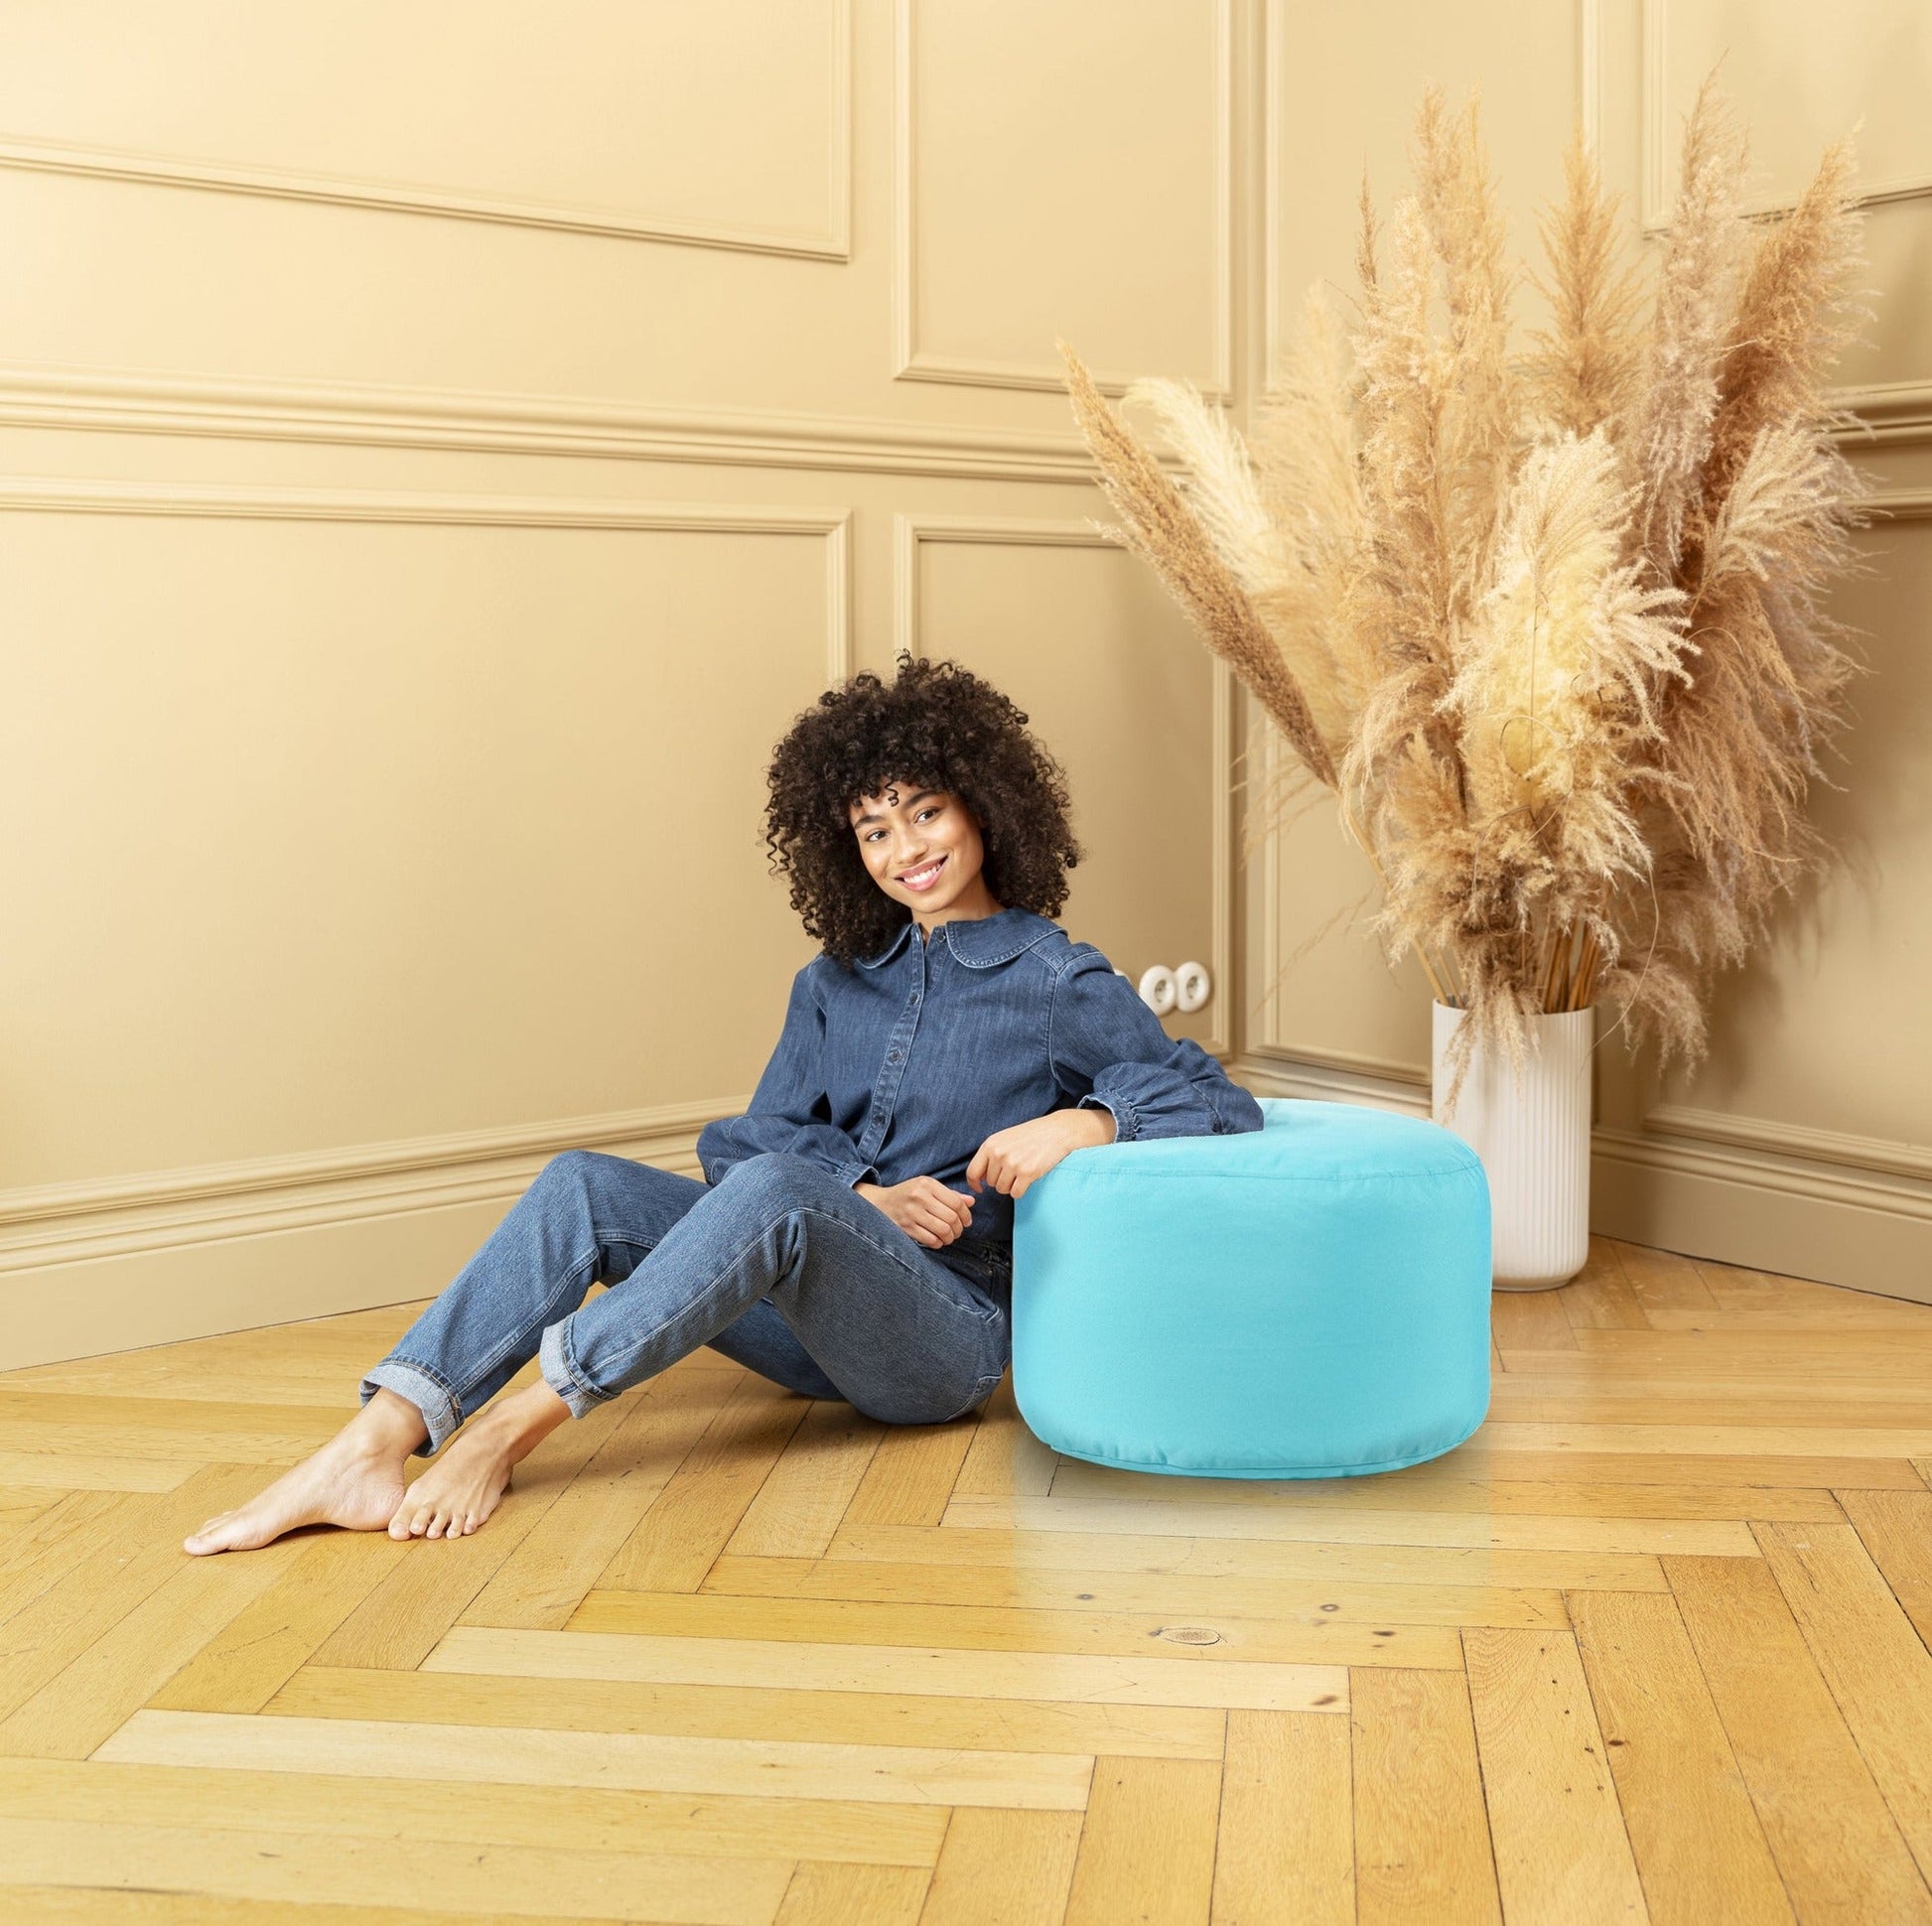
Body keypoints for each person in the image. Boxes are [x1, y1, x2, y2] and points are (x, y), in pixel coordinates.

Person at [184, 654, 1263, 1556]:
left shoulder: (1056, 978)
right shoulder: (834, 983)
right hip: (805, 1328)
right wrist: (866, 1198)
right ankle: (374, 1442)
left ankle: (510, 1427)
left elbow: (1216, 1097)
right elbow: (745, 1145)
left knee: (784, 1190)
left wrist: (1080, 1122)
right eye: (873, 830)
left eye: (925, 812)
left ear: (983, 805)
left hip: (945, 1343)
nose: (906, 850)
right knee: (583, 1184)